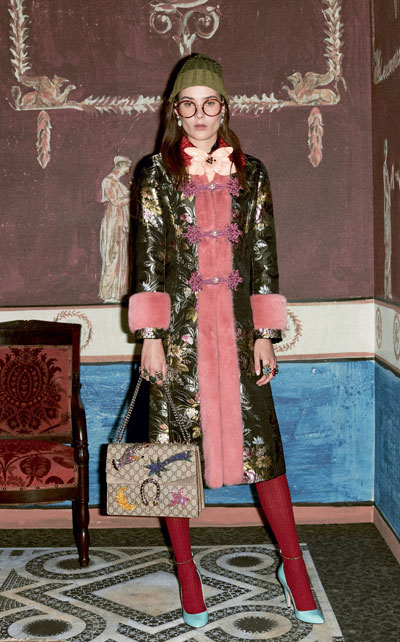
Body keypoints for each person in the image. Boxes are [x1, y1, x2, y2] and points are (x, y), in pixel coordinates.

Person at [129, 54, 324, 628]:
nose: (199, 115)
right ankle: (186, 571)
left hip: (239, 338)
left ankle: (293, 568)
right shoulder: (155, 172)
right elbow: (148, 257)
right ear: (175, 112)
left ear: (224, 109)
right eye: (188, 105)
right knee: (171, 455)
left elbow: (263, 252)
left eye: (209, 103)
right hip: (179, 338)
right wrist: (150, 336)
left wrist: (266, 334)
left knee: (265, 450)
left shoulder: (253, 172)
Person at [99, 155, 132, 303]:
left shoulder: (119, 184)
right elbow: (116, 201)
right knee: (113, 253)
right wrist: (133, 195)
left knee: (121, 255)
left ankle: (118, 293)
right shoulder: (108, 181)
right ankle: (108, 293)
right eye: (126, 169)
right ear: (121, 167)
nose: (126, 172)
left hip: (121, 220)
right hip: (113, 221)